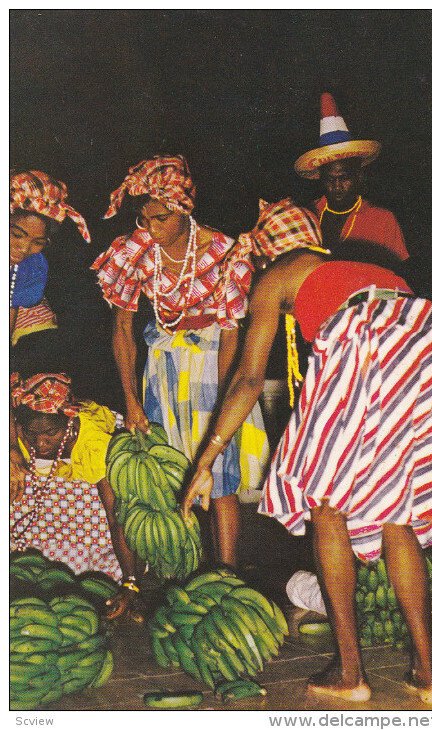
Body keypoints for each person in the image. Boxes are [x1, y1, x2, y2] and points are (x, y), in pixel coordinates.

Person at [184, 198, 432, 705]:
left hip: (359, 338)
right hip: (427, 337)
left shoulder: (280, 273)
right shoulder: (366, 266)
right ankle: (428, 676)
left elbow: (248, 378)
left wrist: (206, 459)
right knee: (397, 512)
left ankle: (351, 674)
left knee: (325, 502)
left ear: (267, 253)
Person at [91, 155, 268, 568]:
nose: (151, 229)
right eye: (145, 219)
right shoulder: (135, 252)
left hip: (212, 367)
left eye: (162, 219)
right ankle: (178, 568)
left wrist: (225, 402)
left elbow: (230, 333)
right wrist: (132, 400)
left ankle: (226, 573)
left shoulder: (225, 252)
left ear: (185, 211)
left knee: (219, 473)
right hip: (164, 368)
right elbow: (122, 330)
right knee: (168, 469)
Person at [10, 372, 144, 620]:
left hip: (89, 490)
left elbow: (116, 517)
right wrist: (12, 451)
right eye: (32, 434)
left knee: (102, 516)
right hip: (51, 483)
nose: (40, 443)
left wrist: (131, 582)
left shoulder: (95, 445)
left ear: (69, 424)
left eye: (50, 433)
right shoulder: (22, 430)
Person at [10, 170, 91, 494]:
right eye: (16, 235)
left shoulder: (32, 266)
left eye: (37, 241)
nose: (24, 247)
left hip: (32, 339)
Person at [294, 93, 409, 261]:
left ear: (359, 176)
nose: (337, 186)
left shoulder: (383, 221)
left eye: (344, 177)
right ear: (320, 177)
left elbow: (400, 276)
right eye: (330, 179)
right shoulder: (306, 217)